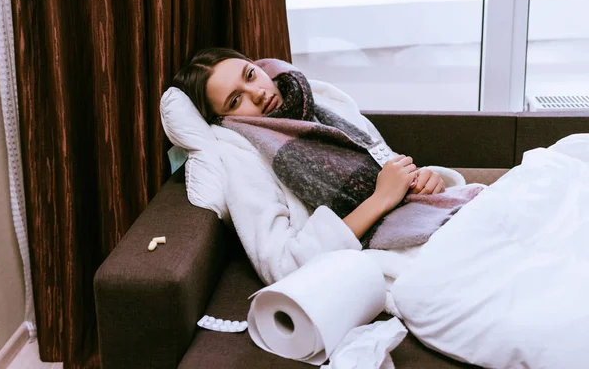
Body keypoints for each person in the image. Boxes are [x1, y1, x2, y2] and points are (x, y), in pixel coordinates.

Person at [172, 47, 454, 288]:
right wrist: (380, 200)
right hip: (388, 256)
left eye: (249, 75)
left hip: (427, 217)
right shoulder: (242, 156)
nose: (257, 92)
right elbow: (282, 264)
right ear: (222, 120)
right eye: (236, 100)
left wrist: (426, 180)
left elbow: (387, 164)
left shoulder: (319, 101)